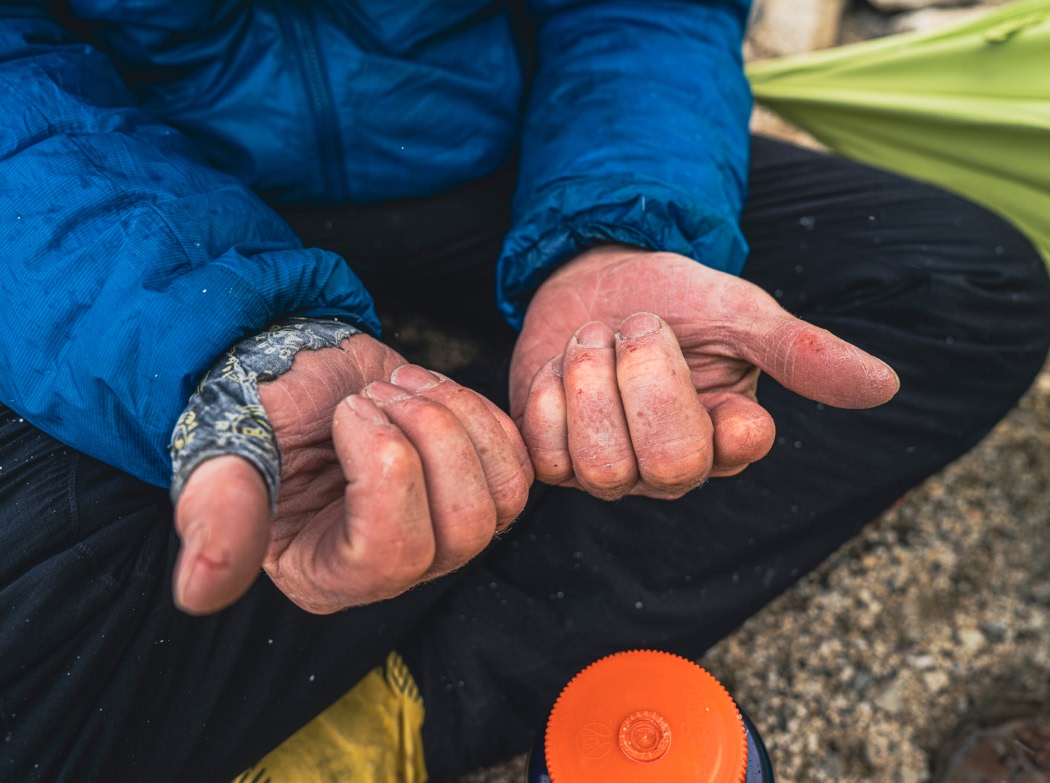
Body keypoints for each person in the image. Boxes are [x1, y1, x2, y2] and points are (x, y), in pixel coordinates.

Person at [1, 2, 1047, 781]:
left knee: (957, 286)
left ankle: (396, 719)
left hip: (509, 151)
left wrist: (616, 227)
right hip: (146, 201)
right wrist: (217, 341)